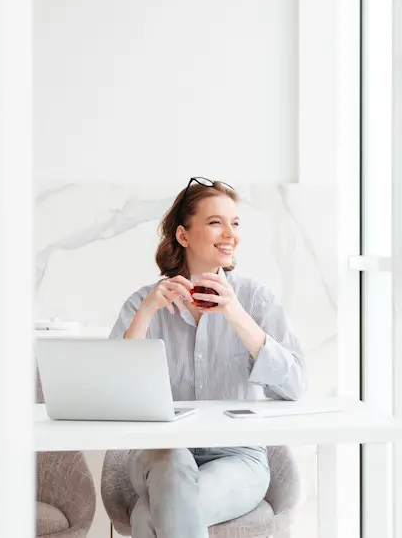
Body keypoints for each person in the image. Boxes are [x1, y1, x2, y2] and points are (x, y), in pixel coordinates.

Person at [109, 177, 306, 538]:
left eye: (235, 223)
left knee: (148, 517)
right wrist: (148, 313)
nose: (230, 233)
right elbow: (112, 392)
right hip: (160, 453)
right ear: (183, 236)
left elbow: (294, 385)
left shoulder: (255, 300)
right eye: (216, 222)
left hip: (238, 457)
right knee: (170, 464)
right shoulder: (143, 303)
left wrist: (237, 317)